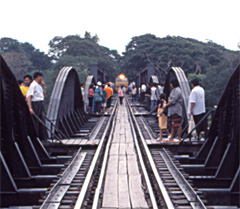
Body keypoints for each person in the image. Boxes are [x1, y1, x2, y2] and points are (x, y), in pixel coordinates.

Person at [26, 71, 47, 142]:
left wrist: (43, 86)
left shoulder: (39, 85)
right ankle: (36, 138)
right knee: (36, 121)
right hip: (35, 103)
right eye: (41, 77)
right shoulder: (33, 85)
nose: (42, 78)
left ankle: (43, 138)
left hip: (40, 103)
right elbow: (29, 96)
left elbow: (45, 96)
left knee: (42, 121)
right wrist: (30, 108)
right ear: (38, 77)